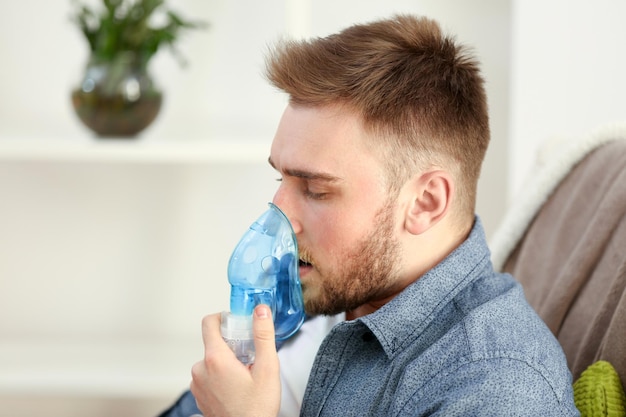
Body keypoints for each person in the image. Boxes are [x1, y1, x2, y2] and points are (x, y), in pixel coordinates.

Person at [163, 14, 580, 416]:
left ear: (425, 203)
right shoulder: (337, 300)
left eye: (316, 189)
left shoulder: (494, 391)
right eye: (281, 180)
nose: (280, 216)